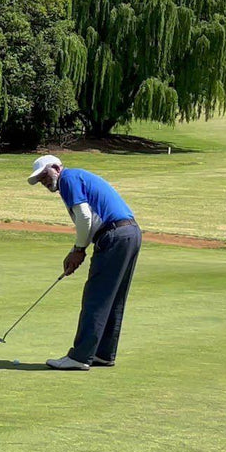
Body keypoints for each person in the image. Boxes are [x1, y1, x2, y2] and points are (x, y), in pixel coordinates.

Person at [26, 155, 140, 371]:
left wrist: (78, 250)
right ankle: (103, 354)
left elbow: (84, 216)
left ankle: (80, 356)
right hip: (129, 233)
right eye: (40, 180)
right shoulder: (76, 178)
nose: (44, 181)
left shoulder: (68, 179)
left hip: (115, 235)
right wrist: (76, 250)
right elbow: (88, 220)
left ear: (57, 168)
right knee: (112, 298)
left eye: (44, 175)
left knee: (96, 296)